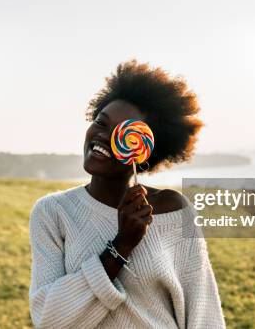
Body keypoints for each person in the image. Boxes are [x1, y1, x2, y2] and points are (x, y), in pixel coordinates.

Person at [28, 60, 225, 328]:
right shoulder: (53, 212)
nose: (103, 136)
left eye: (123, 132)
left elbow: (204, 314)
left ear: (145, 151)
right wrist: (121, 245)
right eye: (101, 122)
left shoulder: (174, 209)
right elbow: (48, 319)